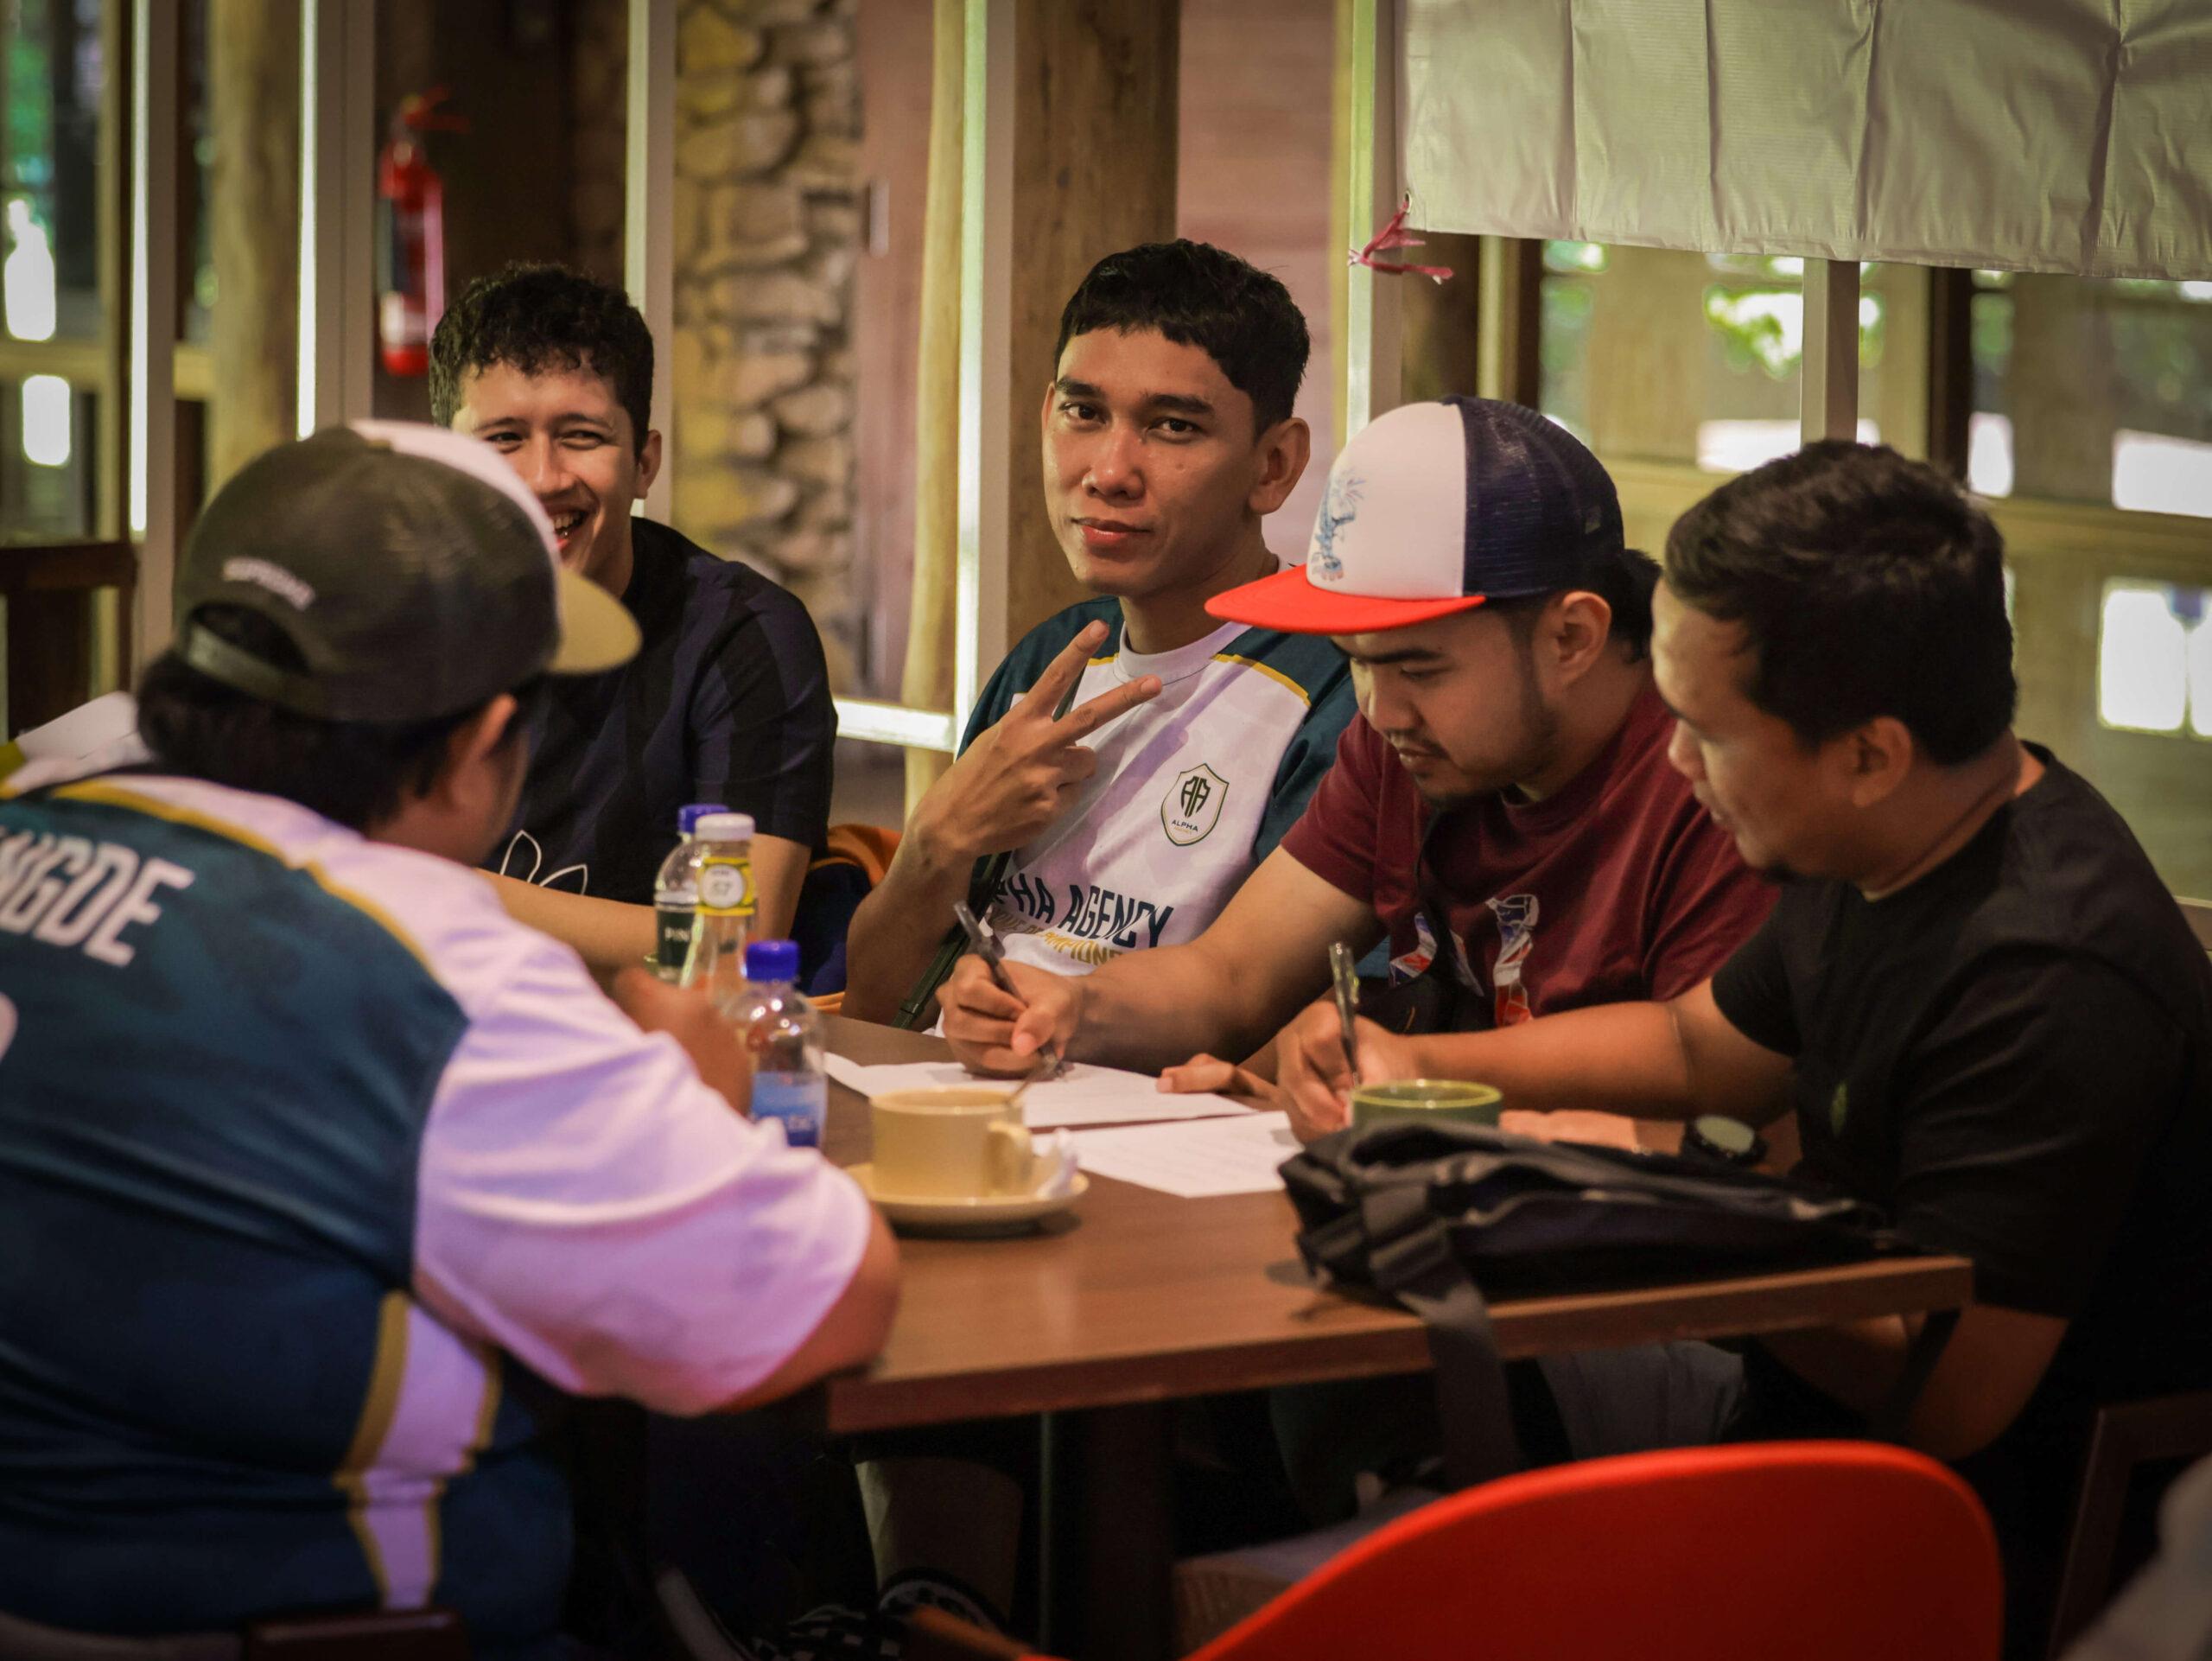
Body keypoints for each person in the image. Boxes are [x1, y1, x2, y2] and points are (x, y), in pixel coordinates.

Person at [1267, 442, 2212, 1652]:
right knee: (1354, 1343)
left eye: (1709, 733)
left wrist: (1660, 1211)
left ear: (1868, 754)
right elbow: (1697, 1042)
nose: (1674, 761)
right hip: (1788, 1418)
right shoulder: (1880, 842)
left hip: (1958, 1533)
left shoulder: (2049, 976)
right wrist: (1423, 1070)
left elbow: (1947, 1397)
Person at [0, 423, 897, 1656]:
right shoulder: (429, 971)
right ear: (478, 752)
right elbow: (833, 1298)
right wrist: (702, 1096)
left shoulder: (30, 823)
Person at [938, 397, 1772, 1114]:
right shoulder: (1404, 747)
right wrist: (1065, 1008)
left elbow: (1714, 1052)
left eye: (1419, 668)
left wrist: (1412, 1068)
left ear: (1572, 637)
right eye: (1358, 663)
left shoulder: (1713, 771)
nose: (1380, 709)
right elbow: (1232, 976)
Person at [839, 239, 1357, 1025]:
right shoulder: (1050, 658)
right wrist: (936, 842)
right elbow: (875, 1005)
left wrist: (1057, 1022)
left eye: (1174, 426)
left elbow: (1288, 1021)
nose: (1110, 472)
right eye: (1084, 414)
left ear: (1274, 466)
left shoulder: (1333, 686)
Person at [430, 262, 836, 961]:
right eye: (503, 438)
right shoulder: (397, 623)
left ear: (645, 463)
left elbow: (733, 940)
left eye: (581, 435)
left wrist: (439, 893)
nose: (543, 478)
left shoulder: (740, 635)